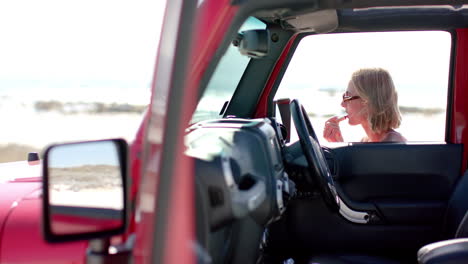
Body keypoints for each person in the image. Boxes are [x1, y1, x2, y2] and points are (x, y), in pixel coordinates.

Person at [323, 68, 406, 142]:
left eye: (347, 97)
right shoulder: (365, 141)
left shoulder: (393, 143)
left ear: (368, 102)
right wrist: (337, 141)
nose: (342, 104)